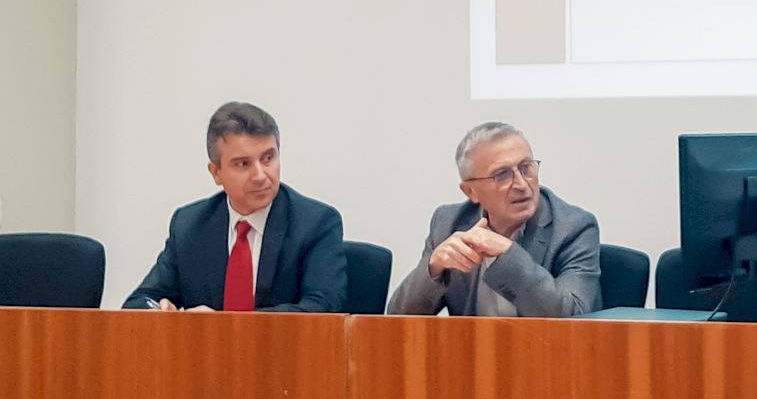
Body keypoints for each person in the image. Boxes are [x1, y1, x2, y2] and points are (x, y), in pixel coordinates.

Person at [123, 101, 346, 312]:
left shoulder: (315, 223)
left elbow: (323, 307)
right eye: (243, 164)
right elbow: (139, 302)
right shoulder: (189, 226)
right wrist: (165, 314)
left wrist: (222, 327)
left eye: (268, 158)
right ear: (216, 172)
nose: (260, 175)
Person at [387, 121, 600, 317]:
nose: (521, 184)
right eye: (502, 175)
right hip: (474, 346)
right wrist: (433, 268)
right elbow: (397, 319)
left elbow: (574, 316)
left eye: (526, 168)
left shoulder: (573, 228)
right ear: (471, 191)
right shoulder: (448, 223)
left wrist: (509, 255)